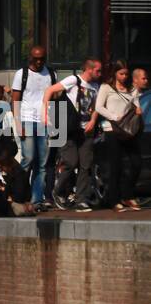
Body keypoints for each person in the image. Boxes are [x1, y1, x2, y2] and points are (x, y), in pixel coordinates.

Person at [42, 59, 102, 212]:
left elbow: (96, 107)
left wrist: (93, 121)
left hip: (86, 130)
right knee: (70, 161)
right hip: (69, 128)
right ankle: (58, 191)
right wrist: (45, 114)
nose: (100, 74)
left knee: (86, 165)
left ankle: (81, 200)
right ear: (89, 69)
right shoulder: (73, 80)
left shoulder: (96, 86)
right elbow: (49, 91)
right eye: (98, 71)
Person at [10, 45, 57, 211]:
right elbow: (15, 99)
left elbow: (54, 97)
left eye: (41, 59)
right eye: (35, 58)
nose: (38, 62)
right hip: (27, 120)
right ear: (30, 57)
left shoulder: (51, 74)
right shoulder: (21, 74)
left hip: (44, 122)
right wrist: (18, 123)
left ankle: (36, 200)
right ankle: (18, 195)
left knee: (42, 164)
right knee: (28, 159)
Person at [95, 61, 143, 212]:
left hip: (128, 130)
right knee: (116, 166)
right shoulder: (106, 87)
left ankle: (127, 195)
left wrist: (138, 109)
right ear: (115, 73)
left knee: (136, 163)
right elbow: (99, 107)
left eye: (126, 74)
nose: (124, 76)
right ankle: (114, 200)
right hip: (112, 129)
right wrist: (113, 116)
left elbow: (135, 103)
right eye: (121, 73)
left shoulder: (131, 89)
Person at [0, 142, 33, 216]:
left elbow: (19, 197)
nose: (0, 168)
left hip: (18, 204)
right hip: (11, 203)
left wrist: (5, 194)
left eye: (1, 165)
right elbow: (6, 194)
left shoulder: (19, 174)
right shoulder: (9, 173)